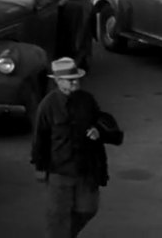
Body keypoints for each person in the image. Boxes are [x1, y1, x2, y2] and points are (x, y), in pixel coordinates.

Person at [31, 57, 123, 238]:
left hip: (85, 169)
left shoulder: (87, 100)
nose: (75, 82)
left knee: (88, 209)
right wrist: (39, 167)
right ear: (58, 81)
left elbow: (101, 121)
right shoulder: (47, 106)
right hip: (59, 171)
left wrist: (98, 132)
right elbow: (40, 138)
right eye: (70, 79)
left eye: (76, 78)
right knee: (58, 216)